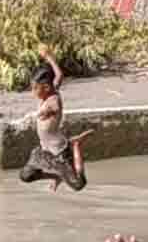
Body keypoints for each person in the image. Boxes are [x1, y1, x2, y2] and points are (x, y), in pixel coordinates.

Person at [18, 45, 93, 193]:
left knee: (79, 184)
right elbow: (59, 75)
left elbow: (56, 107)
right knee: (26, 175)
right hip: (44, 151)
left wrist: (48, 111)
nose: (32, 92)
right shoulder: (51, 89)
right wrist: (49, 57)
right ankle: (56, 176)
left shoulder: (53, 100)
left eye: (35, 88)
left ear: (45, 87)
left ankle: (76, 144)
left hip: (59, 153)